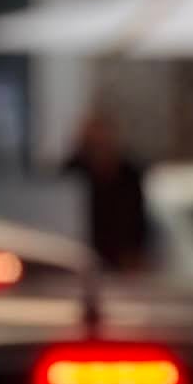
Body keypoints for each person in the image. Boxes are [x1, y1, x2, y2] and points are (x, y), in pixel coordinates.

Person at [67, 109, 152, 273]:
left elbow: (138, 216)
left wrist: (134, 253)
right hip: (80, 253)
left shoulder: (130, 173)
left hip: (121, 259)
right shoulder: (75, 171)